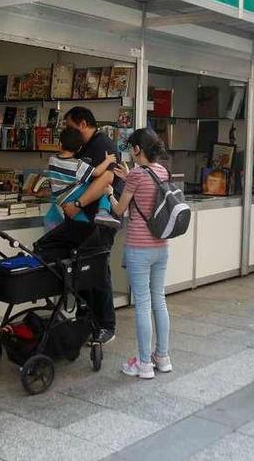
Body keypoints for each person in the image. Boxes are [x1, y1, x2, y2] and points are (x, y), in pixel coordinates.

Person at [55, 106, 121, 344]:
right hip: (82, 220)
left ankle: (106, 325)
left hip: (99, 219)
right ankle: (86, 321)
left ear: (82, 123)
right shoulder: (82, 146)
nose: (67, 131)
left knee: (98, 269)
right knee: (82, 270)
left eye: (70, 125)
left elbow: (106, 178)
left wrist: (79, 203)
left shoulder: (102, 145)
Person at [110, 129, 172, 379]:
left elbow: (120, 210)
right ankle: (163, 357)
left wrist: (109, 194)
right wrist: (128, 178)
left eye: (131, 148)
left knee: (143, 304)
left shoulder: (136, 174)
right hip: (161, 246)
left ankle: (144, 363)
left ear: (137, 150)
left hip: (139, 247)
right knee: (159, 300)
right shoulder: (162, 171)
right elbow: (148, 193)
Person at [45, 126, 120, 231]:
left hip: (60, 198)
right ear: (80, 148)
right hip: (72, 194)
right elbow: (97, 172)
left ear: (60, 144)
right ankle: (103, 212)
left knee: (80, 222)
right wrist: (108, 161)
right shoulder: (77, 165)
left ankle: (83, 227)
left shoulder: (52, 159)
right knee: (102, 186)